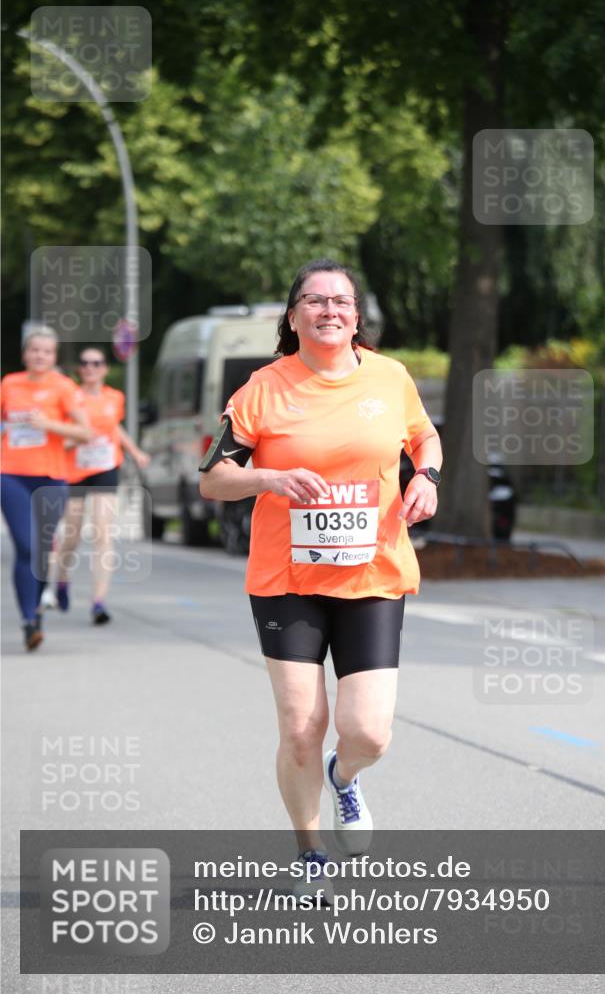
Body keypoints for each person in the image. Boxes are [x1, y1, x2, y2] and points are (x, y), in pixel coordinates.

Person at [199, 258, 442, 890]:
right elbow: (214, 478)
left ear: (356, 317)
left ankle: (345, 776)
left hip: (372, 574)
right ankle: (310, 856)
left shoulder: (390, 377)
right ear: (293, 316)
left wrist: (427, 478)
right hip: (287, 580)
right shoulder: (262, 389)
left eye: (341, 301)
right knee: (302, 729)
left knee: (370, 733)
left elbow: (424, 437)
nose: (329, 310)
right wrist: (269, 477)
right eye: (314, 300)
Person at [1, 326, 92, 650]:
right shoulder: (9, 384)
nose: (40, 356)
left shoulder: (63, 387)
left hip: (51, 478)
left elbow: (86, 432)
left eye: (46, 351)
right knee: (26, 546)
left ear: (53, 357)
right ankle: (28, 620)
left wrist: (48, 425)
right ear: (25, 354)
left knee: (40, 550)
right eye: (34, 350)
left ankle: (37, 610)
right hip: (11, 474)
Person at [45, 347, 150, 625]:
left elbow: (114, 427)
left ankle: (98, 602)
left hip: (106, 467)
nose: (90, 367)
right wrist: (76, 440)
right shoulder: (70, 397)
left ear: (104, 368)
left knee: (103, 532)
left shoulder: (114, 397)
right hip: (74, 469)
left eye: (96, 363)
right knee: (72, 535)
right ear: (80, 369)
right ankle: (62, 579)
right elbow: (60, 436)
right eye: (85, 363)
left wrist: (135, 451)